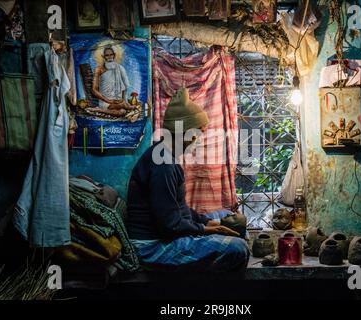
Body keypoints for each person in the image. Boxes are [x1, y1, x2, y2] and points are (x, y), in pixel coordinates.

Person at [126, 88, 249, 272]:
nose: (200, 138)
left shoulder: (166, 155)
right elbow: (170, 225)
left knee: (225, 216)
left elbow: (177, 208)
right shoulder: (162, 165)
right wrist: (207, 229)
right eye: (199, 132)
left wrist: (206, 222)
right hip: (152, 246)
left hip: (167, 231)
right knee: (238, 249)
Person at [91, 46, 135, 116]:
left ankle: (99, 110)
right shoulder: (98, 69)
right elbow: (94, 90)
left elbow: (125, 87)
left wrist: (123, 99)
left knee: (122, 112)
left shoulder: (120, 68)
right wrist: (108, 100)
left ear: (114, 55)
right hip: (105, 101)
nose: (109, 57)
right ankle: (100, 109)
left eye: (111, 54)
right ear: (103, 56)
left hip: (117, 101)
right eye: (107, 55)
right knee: (124, 107)